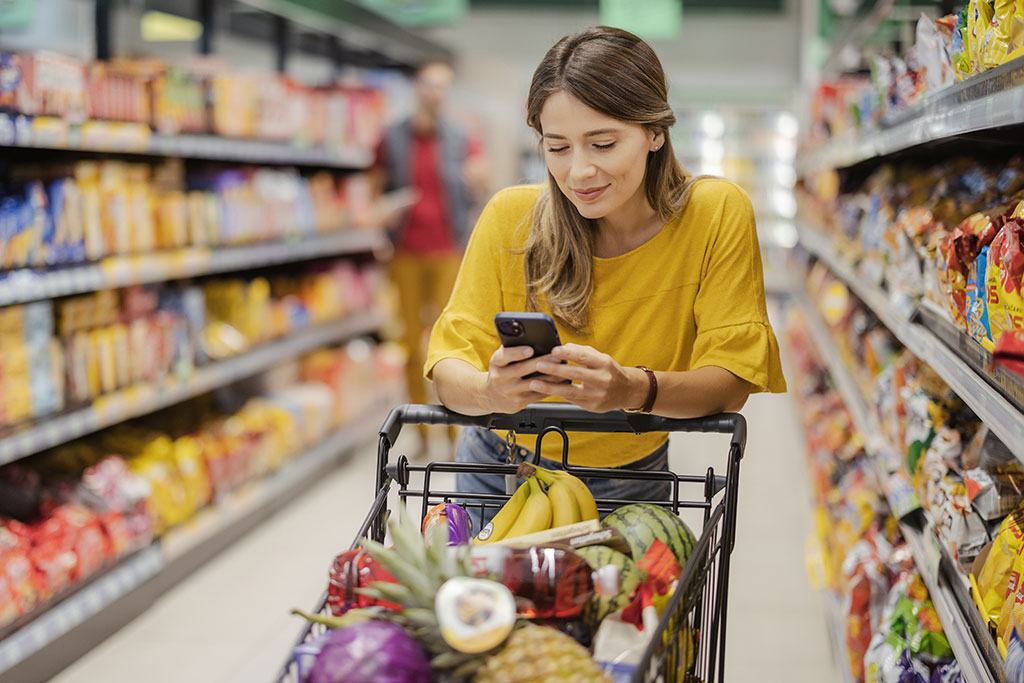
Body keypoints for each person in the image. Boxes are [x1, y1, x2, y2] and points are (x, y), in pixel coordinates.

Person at [425, 27, 786, 526]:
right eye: (558, 148)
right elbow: (448, 368)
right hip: (499, 468)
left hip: (631, 476)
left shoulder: (714, 213)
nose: (578, 173)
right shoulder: (510, 219)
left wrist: (631, 390)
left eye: (602, 143)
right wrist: (492, 392)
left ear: (655, 131)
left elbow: (731, 381)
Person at [373, 60, 488, 459]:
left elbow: (479, 179)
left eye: (444, 86)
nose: (436, 93)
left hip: (448, 251)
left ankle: (455, 434)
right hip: (405, 250)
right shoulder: (392, 136)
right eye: (430, 85)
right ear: (416, 88)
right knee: (408, 342)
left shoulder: (461, 135)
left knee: (449, 344)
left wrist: (478, 179)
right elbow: (375, 187)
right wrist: (380, 213)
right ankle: (420, 432)